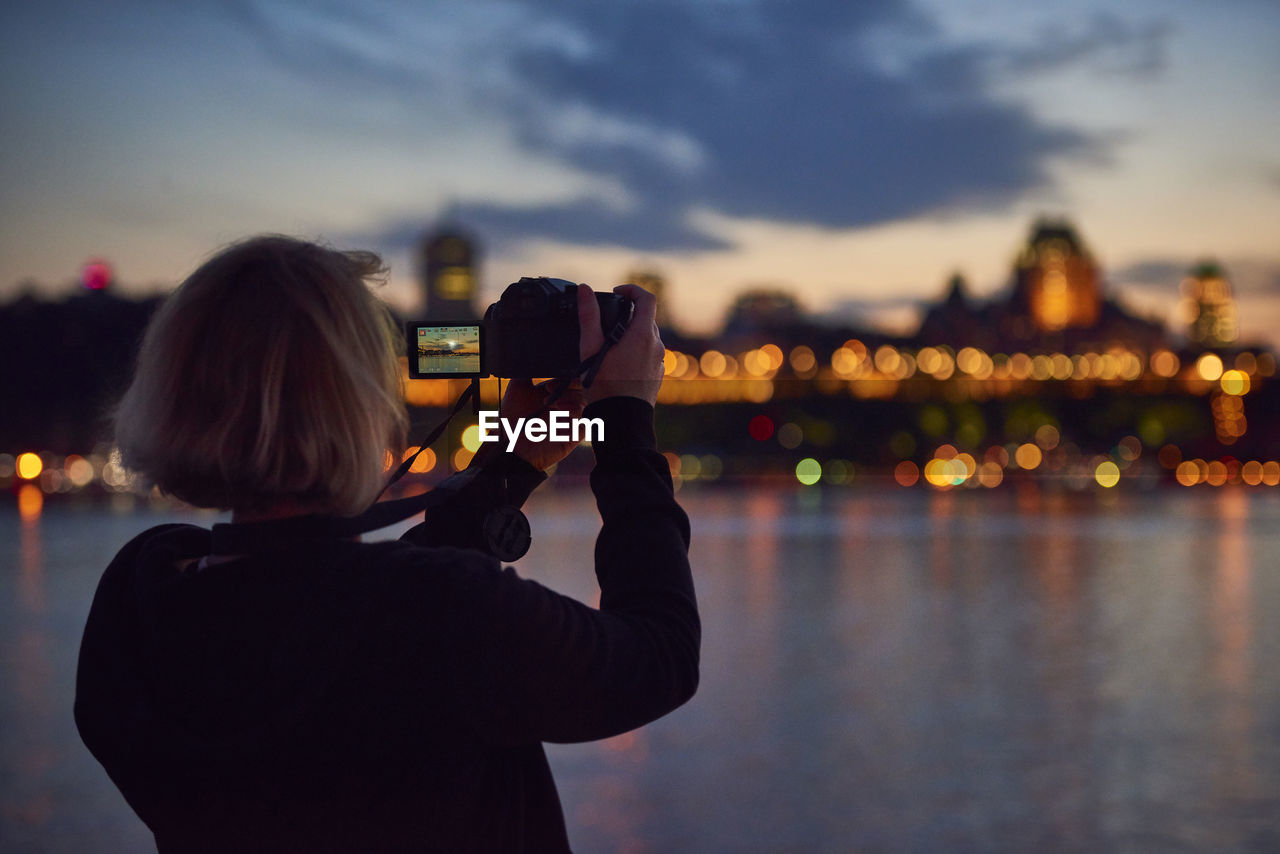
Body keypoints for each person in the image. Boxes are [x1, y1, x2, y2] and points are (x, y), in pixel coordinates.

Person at [74, 235, 699, 853]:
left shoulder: (142, 602)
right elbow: (660, 656)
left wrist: (510, 466)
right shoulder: (439, 610)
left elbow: (339, 601)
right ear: (356, 403)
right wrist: (624, 426)